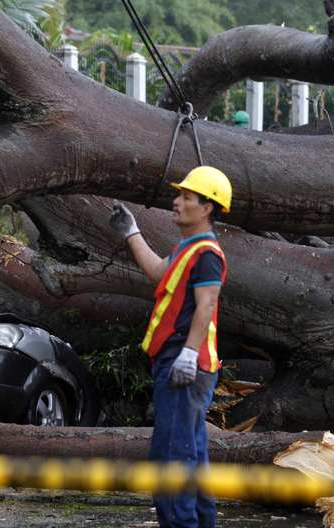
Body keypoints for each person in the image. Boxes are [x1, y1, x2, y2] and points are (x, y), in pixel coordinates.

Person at [109, 166, 232, 528]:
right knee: (190, 457)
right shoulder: (187, 248)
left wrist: (189, 355)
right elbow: (157, 274)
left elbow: (207, 305)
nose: (176, 202)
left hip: (185, 364)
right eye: (178, 196)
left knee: (171, 459)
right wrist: (132, 233)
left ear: (207, 208)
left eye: (186, 198)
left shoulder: (207, 253)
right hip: (179, 362)